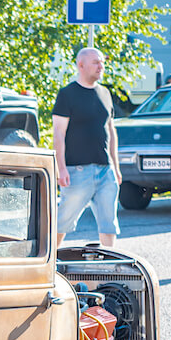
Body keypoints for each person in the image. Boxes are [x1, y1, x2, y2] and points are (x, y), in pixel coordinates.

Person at [52, 47, 122, 248]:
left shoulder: (105, 93)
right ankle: (49, 261)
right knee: (63, 221)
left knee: (109, 224)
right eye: (95, 62)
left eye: (102, 62)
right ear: (80, 65)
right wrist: (61, 168)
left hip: (105, 171)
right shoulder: (67, 94)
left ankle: (111, 266)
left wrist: (115, 167)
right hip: (77, 172)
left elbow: (111, 131)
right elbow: (59, 133)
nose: (101, 66)